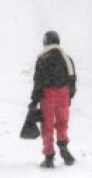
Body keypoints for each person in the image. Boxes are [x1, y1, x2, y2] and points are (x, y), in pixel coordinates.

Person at [30, 30, 76, 168]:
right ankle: (63, 146)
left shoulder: (43, 59)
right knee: (62, 123)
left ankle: (49, 156)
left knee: (47, 126)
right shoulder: (67, 58)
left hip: (48, 95)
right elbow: (72, 79)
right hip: (64, 94)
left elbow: (38, 81)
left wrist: (34, 99)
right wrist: (69, 94)